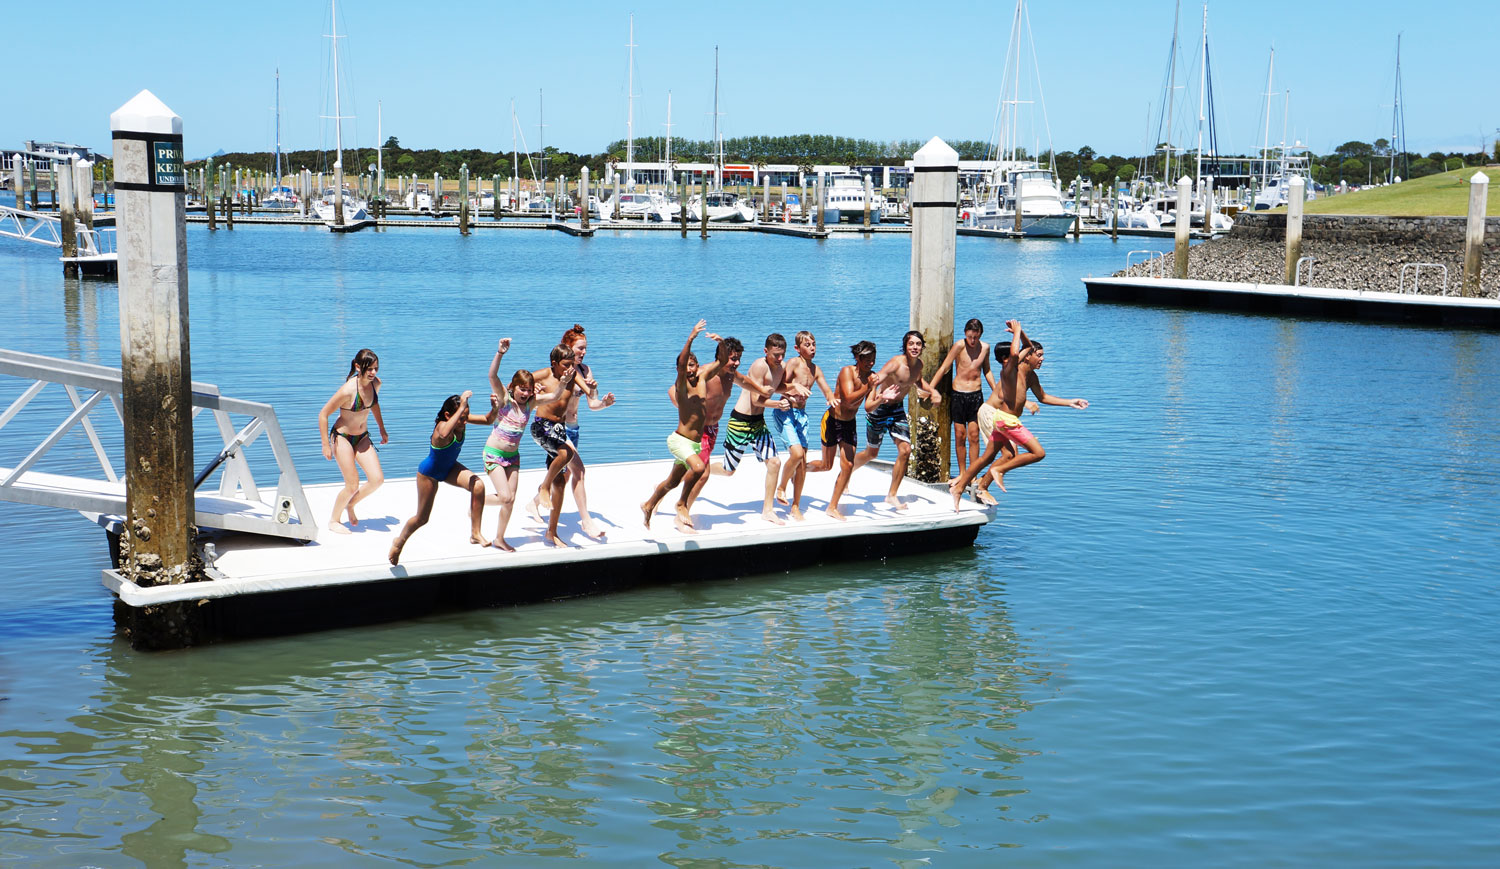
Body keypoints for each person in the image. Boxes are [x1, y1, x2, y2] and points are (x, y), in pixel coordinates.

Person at [948, 320, 1088, 510]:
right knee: (1037, 453)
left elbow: (1044, 397)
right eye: (1039, 355)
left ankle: (959, 488)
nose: (1042, 359)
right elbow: (1015, 353)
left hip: (1002, 419)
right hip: (1004, 420)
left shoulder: (1031, 376)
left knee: (987, 458)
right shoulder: (1011, 370)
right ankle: (994, 474)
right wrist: (1017, 332)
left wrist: (1070, 402)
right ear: (1027, 357)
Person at [664, 335, 775, 526]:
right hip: (698, 432)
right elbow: (672, 390)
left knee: (683, 471)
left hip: (713, 429)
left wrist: (761, 391)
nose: (736, 363)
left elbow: (746, 382)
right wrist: (686, 411)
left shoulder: (732, 376)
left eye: (739, 358)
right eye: (733, 359)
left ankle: (655, 499)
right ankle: (682, 514)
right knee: (702, 474)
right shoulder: (704, 373)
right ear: (722, 357)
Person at [481, 339, 575, 552]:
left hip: (513, 457)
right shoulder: (504, 400)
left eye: (528, 390)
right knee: (504, 496)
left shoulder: (530, 404)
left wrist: (563, 382)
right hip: (494, 453)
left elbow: (553, 395)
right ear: (513, 388)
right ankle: (476, 500)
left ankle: (499, 538)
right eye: (521, 389)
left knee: (511, 499)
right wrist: (500, 353)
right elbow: (492, 376)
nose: (524, 393)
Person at [388, 390, 498, 566]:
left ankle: (475, 533)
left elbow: (488, 420)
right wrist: (461, 407)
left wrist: (494, 408)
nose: (464, 422)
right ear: (448, 415)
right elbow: (445, 434)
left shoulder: (461, 420)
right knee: (422, 518)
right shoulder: (441, 427)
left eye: (466, 417)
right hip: (429, 474)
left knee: (478, 486)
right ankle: (399, 542)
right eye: (461, 417)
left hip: (449, 468)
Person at [642, 320, 731, 534]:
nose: (690, 369)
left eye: (693, 365)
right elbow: (682, 364)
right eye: (686, 366)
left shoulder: (702, 380)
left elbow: (722, 361)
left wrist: (721, 344)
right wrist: (691, 337)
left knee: (671, 482)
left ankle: (648, 504)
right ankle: (681, 504)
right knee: (699, 469)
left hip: (694, 444)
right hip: (679, 440)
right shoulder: (681, 386)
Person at [532, 324, 614, 539]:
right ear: (568, 348)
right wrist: (534, 390)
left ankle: (534, 503)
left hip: (573, 429)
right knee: (579, 471)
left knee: (565, 474)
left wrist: (604, 402)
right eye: (580, 348)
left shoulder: (585, 371)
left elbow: (592, 403)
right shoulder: (557, 371)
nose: (583, 352)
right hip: (556, 428)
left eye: (585, 348)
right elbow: (529, 383)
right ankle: (586, 521)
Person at [719, 333, 801, 525]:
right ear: (766, 351)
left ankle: (768, 510)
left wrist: (792, 389)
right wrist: (778, 405)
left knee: (774, 462)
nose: (780, 359)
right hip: (740, 421)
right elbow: (756, 398)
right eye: (775, 355)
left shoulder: (780, 367)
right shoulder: (759, 366)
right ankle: (701, 469)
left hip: (758, 422)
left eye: (782, 354)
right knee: (728, 470)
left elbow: (776, 387)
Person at [851, 330, 938, 510]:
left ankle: (892, 495)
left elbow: (919, 381)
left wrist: (933, 392)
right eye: (911, 344)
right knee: (871, 454)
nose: (915, 347)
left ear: (922, 347)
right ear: (905, 346)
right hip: (880, 409)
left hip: (897, 410)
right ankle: (847, 472)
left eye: (918, 344)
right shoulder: (895, 363)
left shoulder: (918, 365)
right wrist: (875, 399)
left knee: (905, 450)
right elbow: (874, 381)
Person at [318, 349, 389, 534]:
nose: (373, 373)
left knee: (377, 480)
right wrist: (325, 444)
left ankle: (351, 505)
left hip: (362, 437)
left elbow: (374, 405)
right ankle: (334, 520)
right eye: (369, 369)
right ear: (358, 367)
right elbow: (323, 414)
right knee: (352, 484)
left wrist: (382, 428)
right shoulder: (348, 390)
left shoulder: (376, 384)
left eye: (376, 368)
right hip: (342, 437)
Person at [772, 330, 839, 520]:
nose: (812, 348)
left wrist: (832, 399)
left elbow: (826, 390)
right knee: (797, 453)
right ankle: (782, 486)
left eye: (814, 344)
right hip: (785, 412)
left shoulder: (816, 369)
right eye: (807, 345)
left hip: (801, 416)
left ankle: (795, 506)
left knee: (801, 463)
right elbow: (776, 387)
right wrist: (794, 387)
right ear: (797, 348)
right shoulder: (793, 363)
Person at [927, 318, 998, 474]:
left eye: (976, 337)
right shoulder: (959, 346)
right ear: (965, 333)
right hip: (959, 395)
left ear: (980, 335)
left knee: (974, 436)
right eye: (970, 337)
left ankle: (972, 473)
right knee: (960, 436)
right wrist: (930, 388)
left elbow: (987, 371)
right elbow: (945, 367)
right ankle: (962, 473)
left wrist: (996, 390)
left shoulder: (985, 348)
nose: (972, 340)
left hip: (975, 395)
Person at [529, 344, 582, 547]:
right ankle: (544, 486)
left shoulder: (572, 376)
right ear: (554, 364)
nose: (570, 369)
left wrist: (597, 396)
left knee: (560, 482)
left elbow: (591, 397)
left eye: (572, 365)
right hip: (541, 427)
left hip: (559, 430)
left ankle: (552, 532)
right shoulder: (543, 374)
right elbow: (513, 386)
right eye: (566, 365)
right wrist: (530, 390)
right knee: (567, 453)